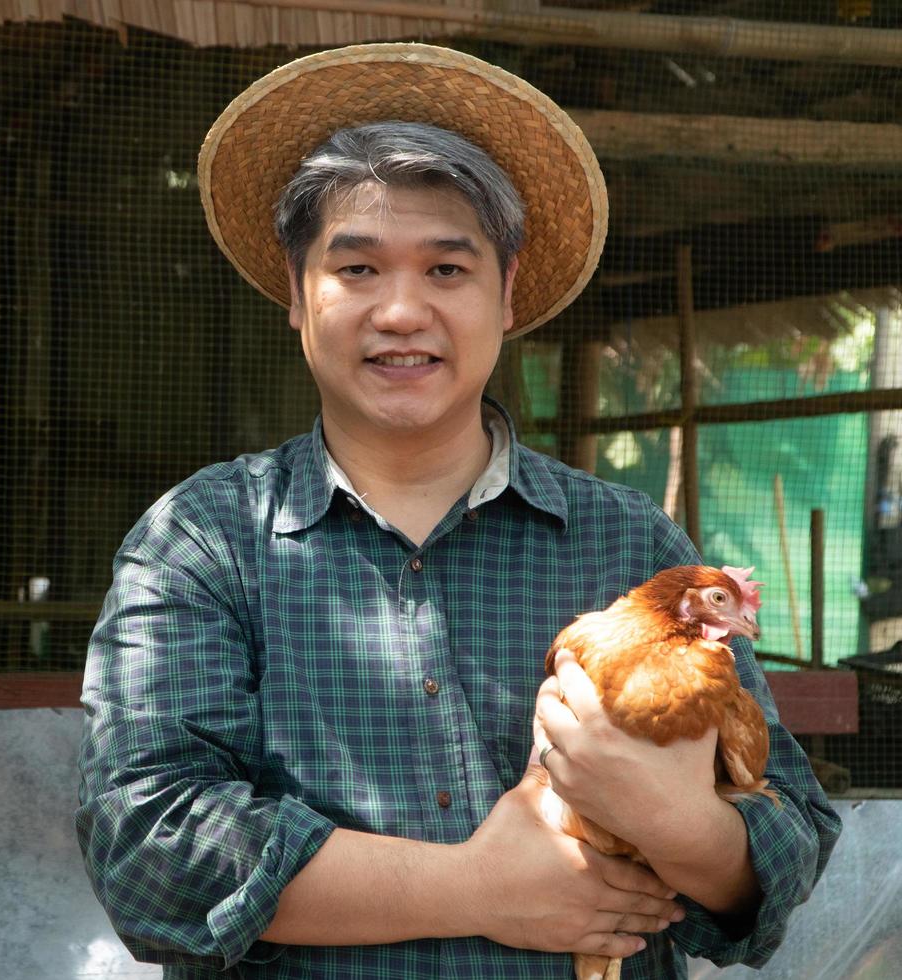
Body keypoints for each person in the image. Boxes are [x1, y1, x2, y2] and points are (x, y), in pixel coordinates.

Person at [75, 43, 839, 978]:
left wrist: (671, 818)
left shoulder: (630, 545)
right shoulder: (202, 540)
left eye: (446, 270)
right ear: (294, 295)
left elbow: (789, 841)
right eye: (356, 270)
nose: (400, 311)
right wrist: (479, 887)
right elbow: (148, 845)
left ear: (507, 292)